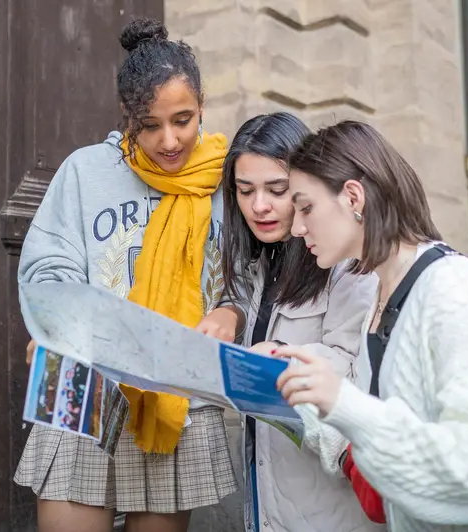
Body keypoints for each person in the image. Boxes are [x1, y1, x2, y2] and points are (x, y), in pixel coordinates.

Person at [273, 121, 468, 531]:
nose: (296, 228)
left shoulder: (453, 291)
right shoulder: (381, 299)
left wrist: (343, 402)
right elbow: (375, 432)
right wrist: (295, 385)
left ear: (353, 197)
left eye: (305, 207)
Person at [14, 18, 237, 532]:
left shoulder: (227, 182)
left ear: (202, 106)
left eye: (183, 119)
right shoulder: (85, 170)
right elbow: (50, 262)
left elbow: (241, 275)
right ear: (126, 117)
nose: (170, 140)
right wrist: (55, 325)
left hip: (171, 387)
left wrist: (231, 309)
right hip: (81, 374)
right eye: (150, 125)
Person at [195, 112, 383, 532]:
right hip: (269, 498)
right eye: (245, 191)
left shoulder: (344, 261)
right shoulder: (258, 266)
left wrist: (270, 364)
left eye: (277, 190)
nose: (259, 206)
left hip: (330, 507)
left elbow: (357, 372)